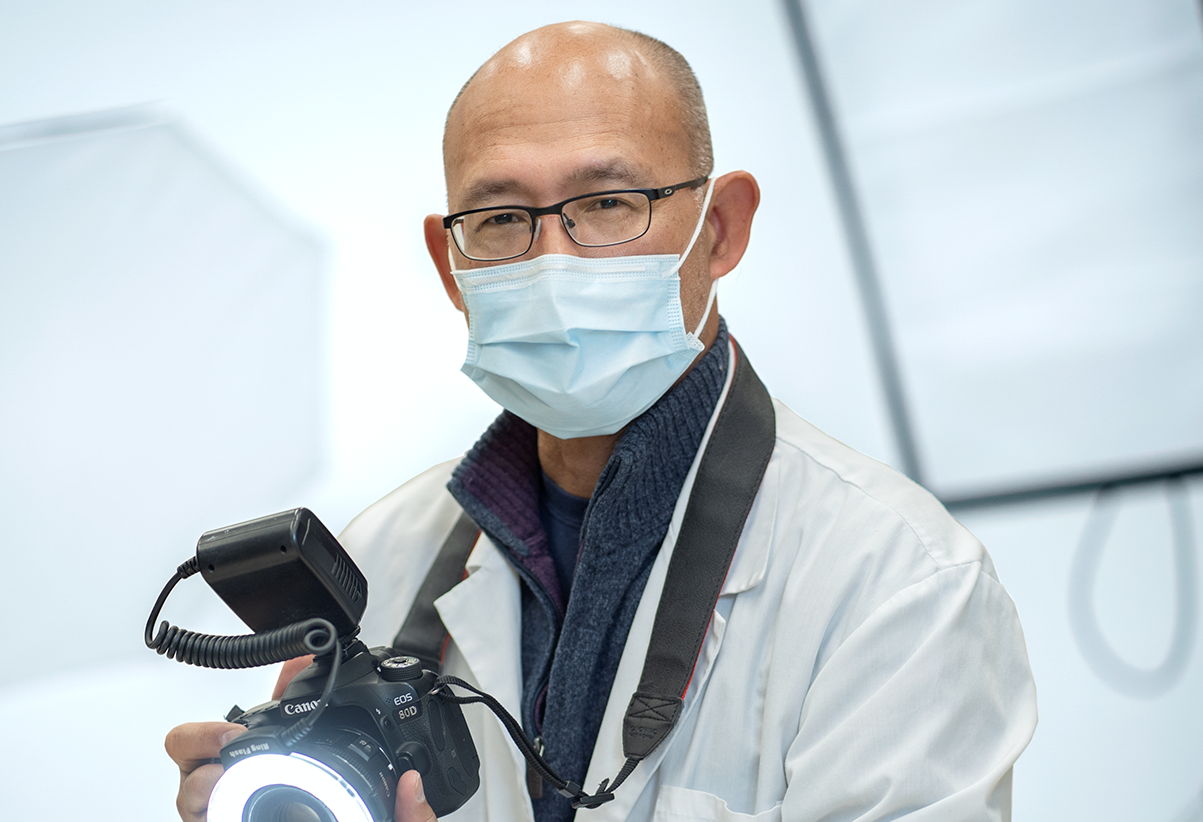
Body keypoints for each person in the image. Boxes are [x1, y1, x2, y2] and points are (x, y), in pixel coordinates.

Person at [169, 21, 1037, 822]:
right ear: (450, 263)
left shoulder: (899, 583)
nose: (553, 260)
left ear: (720, 229)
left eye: (610, 205)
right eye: (503, 218)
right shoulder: (381, 559)